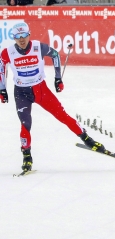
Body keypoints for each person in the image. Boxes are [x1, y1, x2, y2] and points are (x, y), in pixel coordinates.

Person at [0, 22, 105, 172]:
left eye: (24, 36)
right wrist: (2, 89)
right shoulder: (8, 52)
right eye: (18, 37)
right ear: (14, 38)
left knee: (62, 116)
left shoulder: (38, 47)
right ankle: (27, 156)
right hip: (22, 93)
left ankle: (87, 139)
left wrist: (58, 78)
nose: (22, 40)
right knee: (25, 124)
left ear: (29, 35)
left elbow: (55, 55)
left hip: (41, 90)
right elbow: (1, 66)